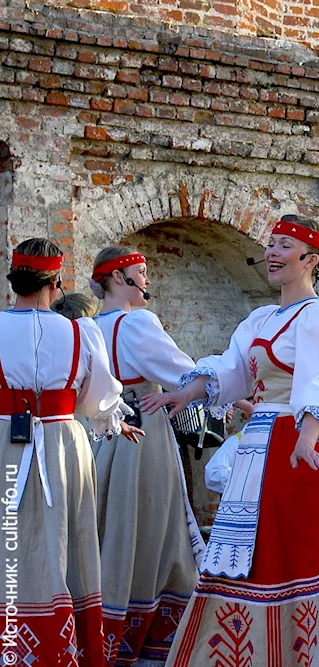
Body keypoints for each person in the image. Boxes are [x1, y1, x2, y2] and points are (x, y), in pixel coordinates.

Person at [142, 215, 319, 666]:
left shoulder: (317, 315)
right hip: (258, 445)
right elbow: (233, 370)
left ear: (311, 259)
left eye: (284, 245)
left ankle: (304, 651)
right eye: (272, 244)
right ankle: (247, 652)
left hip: (294, 442)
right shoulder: (262, 317)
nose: (273, 253)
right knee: (250, 547)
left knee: (297, 548)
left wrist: (308, 439)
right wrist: (184, 393)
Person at [0, 239, 138, 667]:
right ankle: (63, 649)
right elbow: (98, 399)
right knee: (66, 540)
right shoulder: (81, 330)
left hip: (5, 442)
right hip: (63, 443)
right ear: (56, 281)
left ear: (14, 280)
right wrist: (113, 420)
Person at [87, 246, 206, 665]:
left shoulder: (86, 327)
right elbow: (185, 372)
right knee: (154, 527)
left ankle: (100, 627)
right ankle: (153, 634)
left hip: (95, 438)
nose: (148, 280)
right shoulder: (136, 322)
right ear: (119, 278)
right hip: (142, 432)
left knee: (107, 525)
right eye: (141, 271)